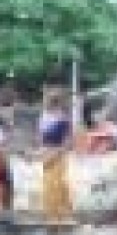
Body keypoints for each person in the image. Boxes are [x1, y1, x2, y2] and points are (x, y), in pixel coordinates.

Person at [38, 87, 76, 223]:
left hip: (57, 156)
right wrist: (41, 153)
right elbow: (41, 139)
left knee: (57, 185)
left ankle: (62, 216)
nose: (46, 102)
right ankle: (52, 216)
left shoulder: (63, 120)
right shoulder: (44, 117)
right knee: (49, 186)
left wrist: (53, 154)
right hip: (47, 154)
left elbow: (68, 143)